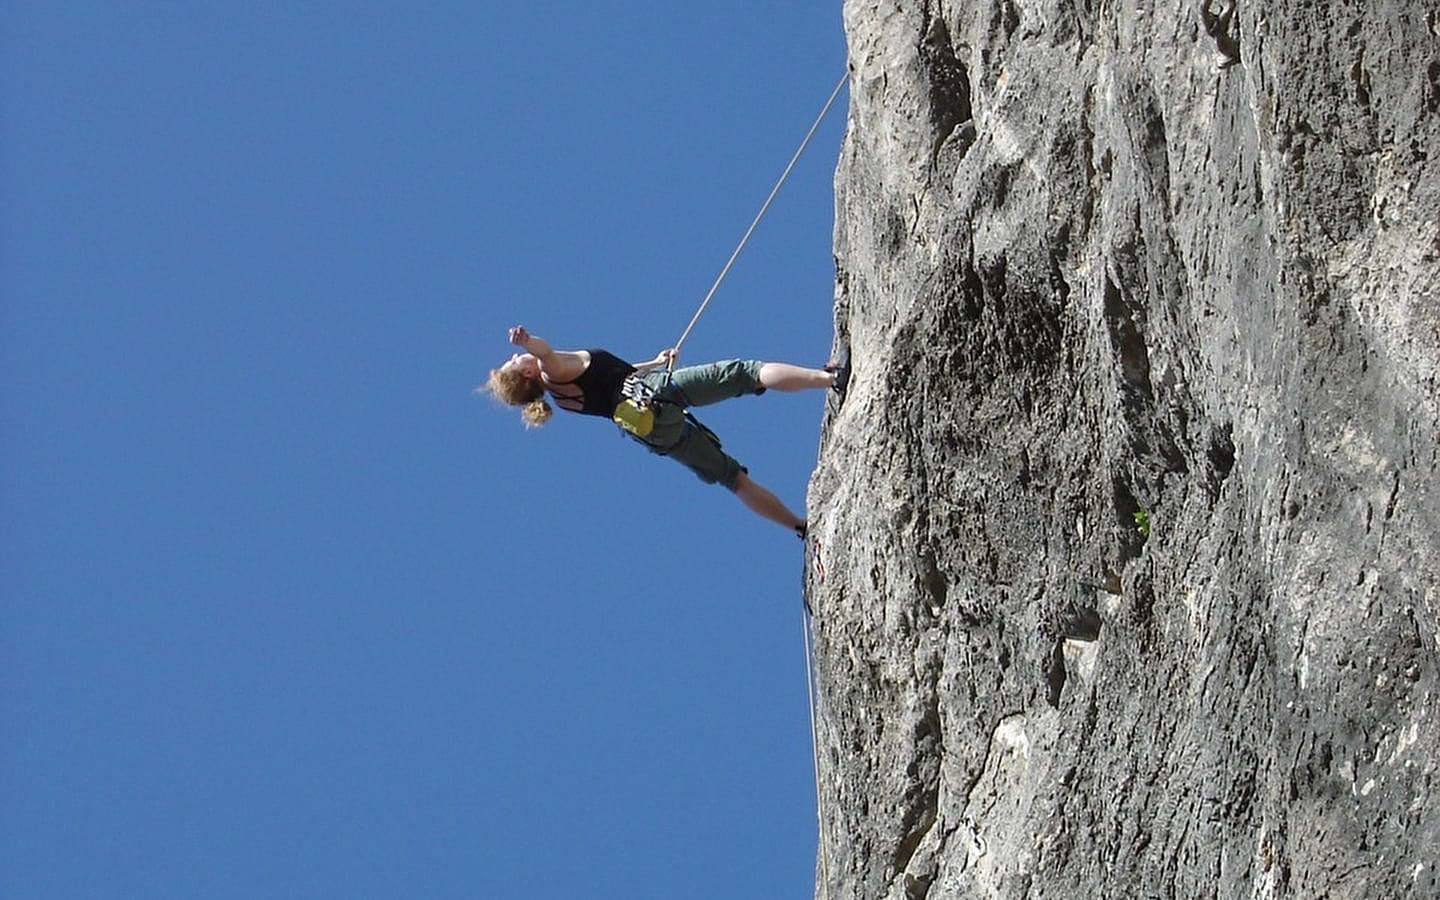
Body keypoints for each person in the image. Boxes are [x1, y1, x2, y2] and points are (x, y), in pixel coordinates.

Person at [485, 326, 848, 535]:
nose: (518, 358)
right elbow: (546, 351)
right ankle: (830, 379)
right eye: (516, 361)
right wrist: (527, 341)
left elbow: (615, 380)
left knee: (731, 477)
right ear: (529, 374)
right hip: (652, 394)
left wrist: (655, 364)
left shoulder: (563, 400)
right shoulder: (552, 369)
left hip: (649, 429)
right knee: (745, 373)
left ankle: (800, 526)